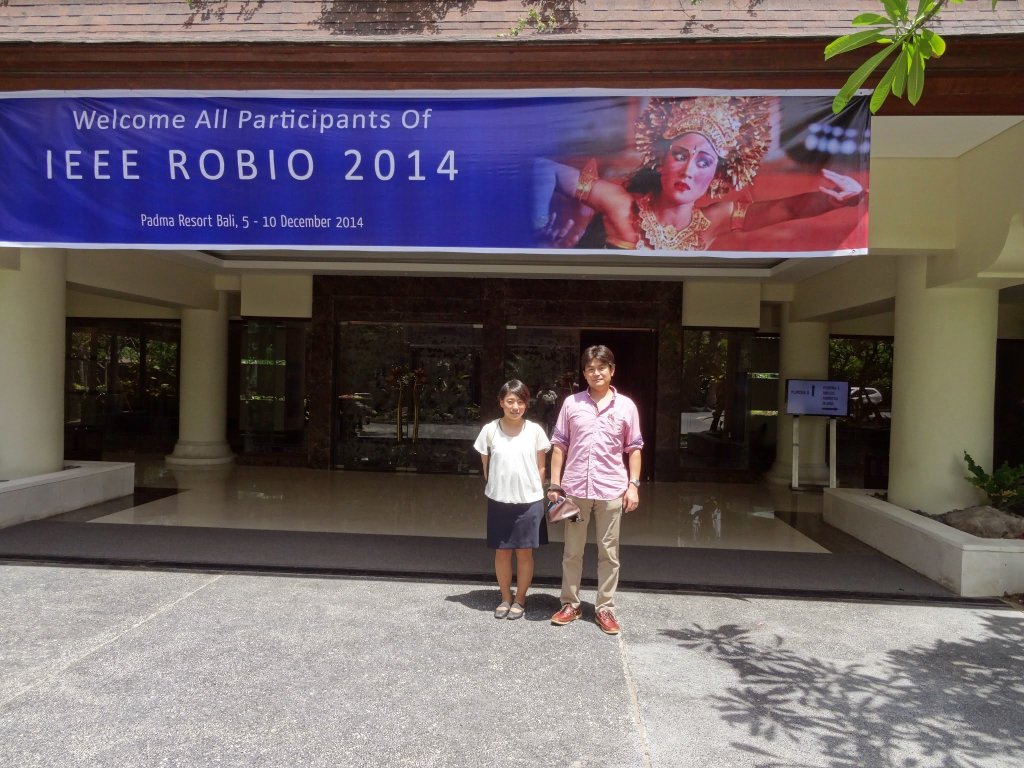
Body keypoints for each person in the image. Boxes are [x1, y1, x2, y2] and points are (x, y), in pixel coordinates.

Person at [536, 95, 864, 251]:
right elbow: (542, 169)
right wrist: (542, 218)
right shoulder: (621, 205)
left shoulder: (714, 221)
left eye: (704, 162)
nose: (688, 170)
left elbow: (789, 209)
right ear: (662, 162)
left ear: (717, 176)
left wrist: (841, 199)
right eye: (680, 156)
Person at [547, 346, 643, 635]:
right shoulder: (571, 404)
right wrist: (554, 484)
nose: (596, 373)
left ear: (612, 370)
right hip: (575, 491)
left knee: (608, 553)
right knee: (572, 551)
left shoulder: (626, 406)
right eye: (590, 368)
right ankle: (570, 604)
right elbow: (559, 446)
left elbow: (634, 448)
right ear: (584, 373)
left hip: (611, 491)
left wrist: (633, 485)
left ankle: (605, 608)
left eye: (601, 368)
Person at [473, 379, 552, 620]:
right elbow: (486, 466)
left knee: (525, 553)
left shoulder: (535, 431)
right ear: (501, 403)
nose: (515, 407)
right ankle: (505, 597)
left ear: (526, 404)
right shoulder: (489, 430)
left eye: (520, 402)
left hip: (529, 501)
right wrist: (498, 487)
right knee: (502, 552)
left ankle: (521, 599)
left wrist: (535, 491)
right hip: (499, 501)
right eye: (510, 401)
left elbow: (541, 467)